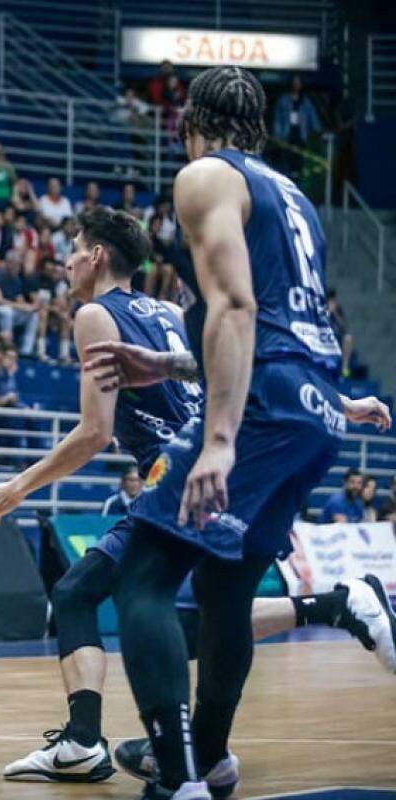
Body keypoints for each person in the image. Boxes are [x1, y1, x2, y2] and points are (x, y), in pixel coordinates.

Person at [0, 204, 395, 786]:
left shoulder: (95, 316)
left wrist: (18, 486)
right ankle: (334, 606)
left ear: (97, 256)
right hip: (221, 471)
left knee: (93, 596)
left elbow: (94, 432)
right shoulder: (172, 314)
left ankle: (98, 746)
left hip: (176, 480)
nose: (67, 260)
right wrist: (341, 402)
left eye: (74, 247)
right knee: (200, 616)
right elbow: (226, 363)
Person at [81, 67, 396, 799]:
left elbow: (237, 307)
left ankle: (179, 776)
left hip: (259, 405)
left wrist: (219, 439)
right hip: (310, 404)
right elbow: (291, 325)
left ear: (190, 122)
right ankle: (210, 758)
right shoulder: (293, 197)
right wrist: (162, 362)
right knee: (225, 588)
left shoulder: (203, 177)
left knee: (143, 574)